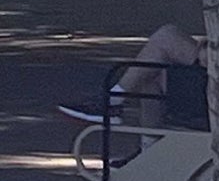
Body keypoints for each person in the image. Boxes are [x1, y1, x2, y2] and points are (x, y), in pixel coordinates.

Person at [58, 23, 207, 127]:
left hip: (213, 89)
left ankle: (111, 101)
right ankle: (148, 150)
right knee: (149, 70)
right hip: (209, 82)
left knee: (166, 36)